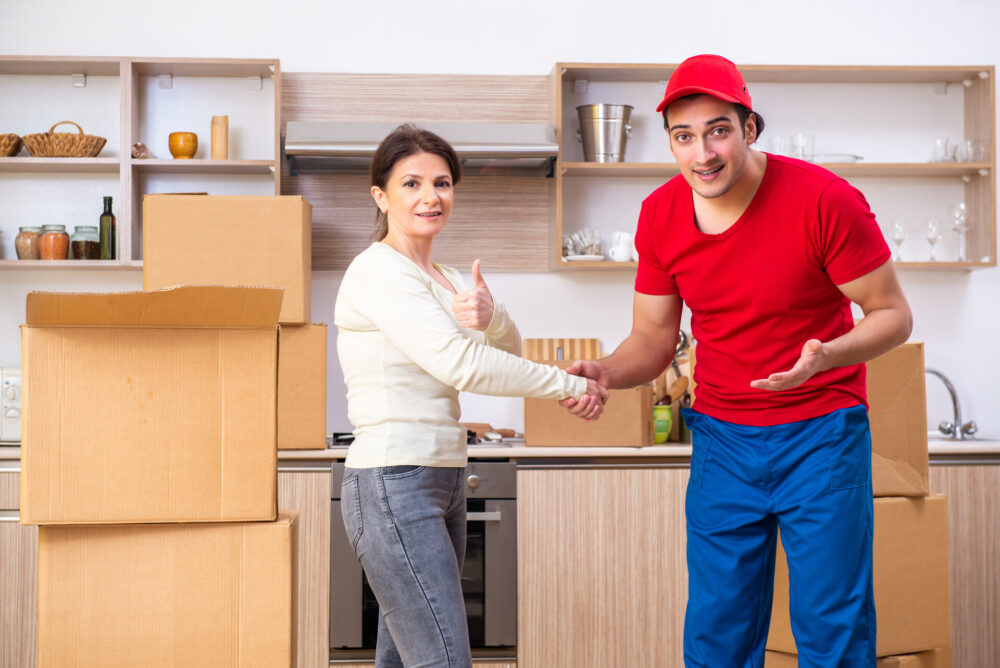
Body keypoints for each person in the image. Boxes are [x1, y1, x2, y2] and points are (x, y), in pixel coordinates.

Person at [562, 55, 913, 667]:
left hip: (822, 433)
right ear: (670, 142)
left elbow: (892, 315)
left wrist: (826, 356)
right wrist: (609, 371)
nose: (703, 152)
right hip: (723, 440)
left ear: (749, 129)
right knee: (717, 634)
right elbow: (652, 335)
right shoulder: (660, 214)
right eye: (684, 136)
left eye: (718, 129)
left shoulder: (824, 199)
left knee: (832, 630)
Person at [334, 123, 607, 668]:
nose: (430, 197)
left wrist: (492, 314)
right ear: (380, 196)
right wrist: (568, 384)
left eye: (442, 183)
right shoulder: (378, 271)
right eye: (411, 184)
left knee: (408, 657)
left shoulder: (446, 277)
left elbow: (505, 345)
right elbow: (462, 362)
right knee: (444, 659)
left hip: (442, 475)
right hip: (394, 478)